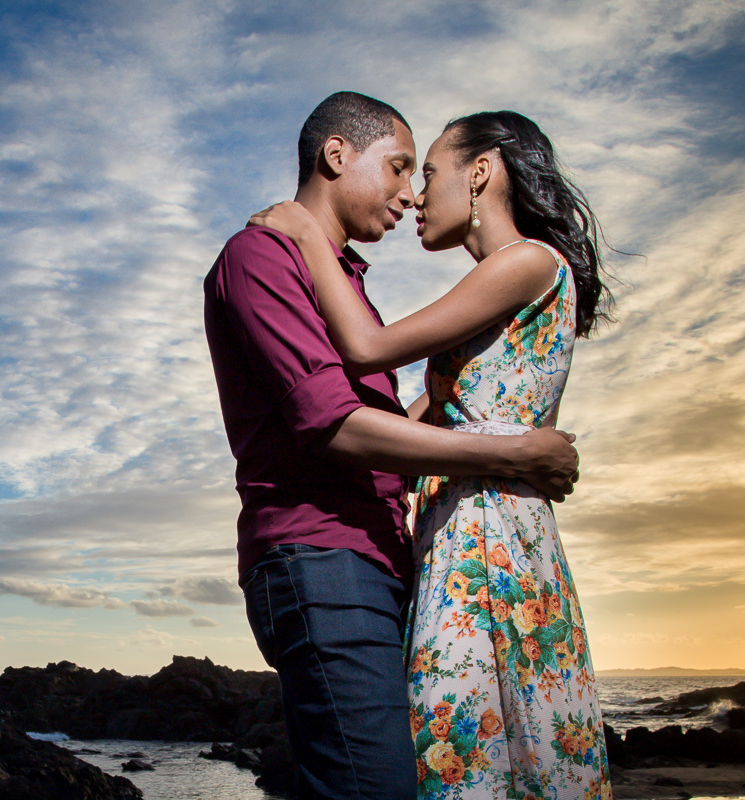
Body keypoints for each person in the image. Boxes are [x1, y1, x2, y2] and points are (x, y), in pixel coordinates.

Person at [204, 92, 581, 800]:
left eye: (421, 174)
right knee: (373, 787)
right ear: (337, 156)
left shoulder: (347, 286)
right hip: (322, 558)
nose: (410, 194)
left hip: (386, 559)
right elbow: (334, 423)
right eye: (400, 168)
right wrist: (512, 454)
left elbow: (413, 416)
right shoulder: (261, 257)